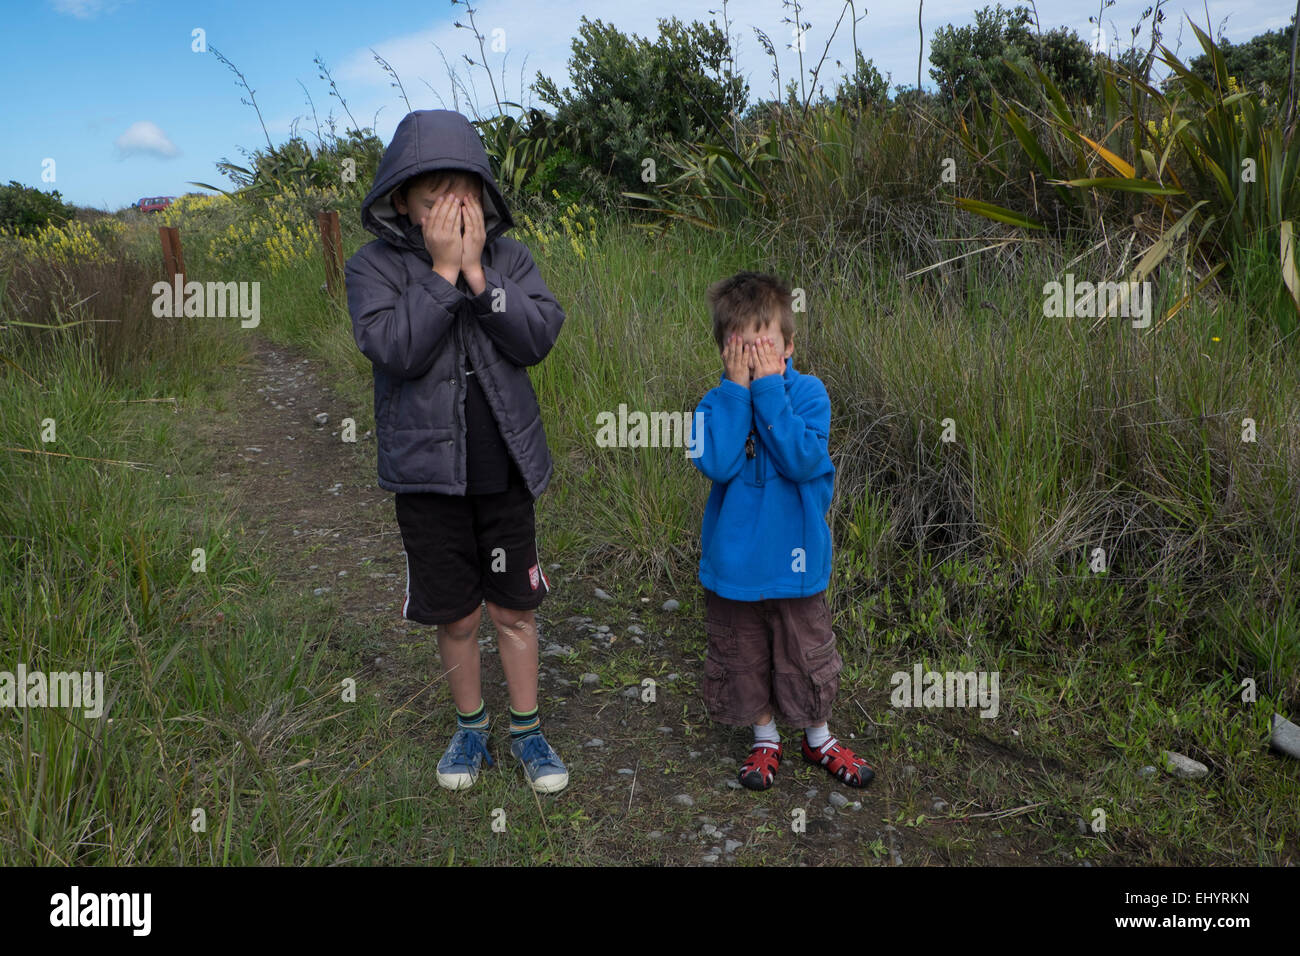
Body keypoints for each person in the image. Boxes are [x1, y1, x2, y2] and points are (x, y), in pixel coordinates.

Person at [345, 109, 568, 793]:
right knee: (458, 614)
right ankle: (471, 727)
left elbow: (536, 337)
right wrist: (442, 274)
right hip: (426, 481)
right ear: (403, 203)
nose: (450, 205)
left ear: (483, 192)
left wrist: (478, 277)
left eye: (462, 189)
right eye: (431, 192)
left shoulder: (511, 259)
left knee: (514, 609)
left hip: (503, 473)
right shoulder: (372, 268)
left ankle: (528, 731)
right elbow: (396, 350)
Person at [690, 271, 875, 790]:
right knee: (742, 654)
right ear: (723, 351)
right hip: (736, 568)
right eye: (740, 348)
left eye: (764, 346)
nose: (754, 359)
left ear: (789, 345)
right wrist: (736, 393)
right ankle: (764, 737)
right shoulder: (714, 403)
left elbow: (802, 459)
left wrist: (770, 390)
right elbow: (718, 463)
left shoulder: (810, 395)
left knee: (805, 652)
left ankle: (818, 737)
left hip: (797, 566)